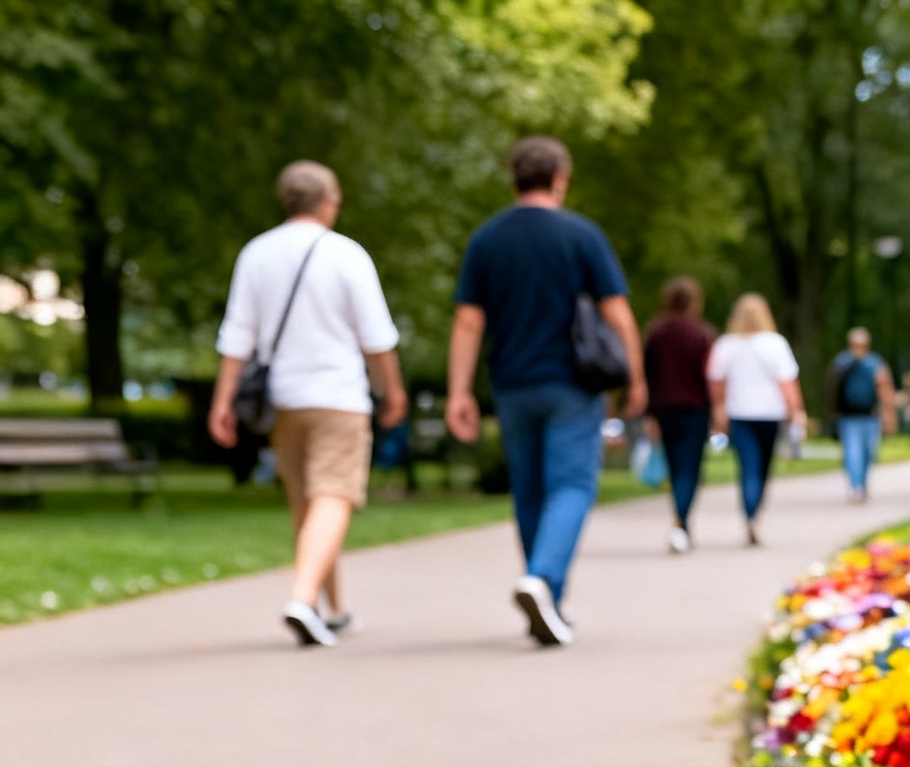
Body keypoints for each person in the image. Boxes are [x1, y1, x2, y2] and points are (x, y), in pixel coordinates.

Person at [447, 135, 644, 647]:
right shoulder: (581, 236)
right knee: (573, 485)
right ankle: (543, 580)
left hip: (512, 383)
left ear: (513, 176)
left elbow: (469, 323)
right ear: (561, 178)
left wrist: (458, 392)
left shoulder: (487, 239)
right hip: (573, 385)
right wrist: (635, 377)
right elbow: (617, 313)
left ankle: (547, 596)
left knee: (530, 490)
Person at [209, 160, 406, 649]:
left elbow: (237, 337)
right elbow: (376, 336)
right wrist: (393, 390)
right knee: (334, 496)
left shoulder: (257, 253)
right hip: (338, 396)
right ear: (328, 202)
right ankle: (301, 599)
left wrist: (223, 400)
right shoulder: (346, 255)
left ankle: (330, 608)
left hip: (284, 400)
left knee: (307, 503)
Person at [708, 294, 804, 546]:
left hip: (739, 413)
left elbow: (716, 382)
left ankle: (750, 515)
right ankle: (756, 514)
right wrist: (796, 411)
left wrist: (719, 411)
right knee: (763, 467)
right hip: (769, 414)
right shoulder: (775, 343)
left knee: (747, 467)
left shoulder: (726, 345)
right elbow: (787, 383)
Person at [641, 276, 715, 553]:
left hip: (664, 410)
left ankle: (679, 522)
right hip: (695, 410)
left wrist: (649, 415)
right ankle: (681, 523)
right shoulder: (702, 335)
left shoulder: (655, 334)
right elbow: (709, 377)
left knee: (674, 467)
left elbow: (649, 376)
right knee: (690, 469)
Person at [828, 327, 894, 501]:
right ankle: (855, 486)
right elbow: (831, 390)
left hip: (870, 416)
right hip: (848, 416)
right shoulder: (841, 362)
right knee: (852, 451)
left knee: (868, 452)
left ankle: (862, 485)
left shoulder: (874, 362)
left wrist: (888, 415)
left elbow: (884, 389)